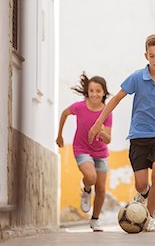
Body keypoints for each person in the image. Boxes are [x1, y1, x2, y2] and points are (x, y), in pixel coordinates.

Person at [88, 34, 155, 232]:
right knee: (141, 184)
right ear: (146, 55)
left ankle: (148, 217)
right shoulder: (137, 77)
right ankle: (143, 195)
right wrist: (97, 123)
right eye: (151, 56)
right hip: (138, 135)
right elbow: (116, 98)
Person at [56, 72, 112, 232]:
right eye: (92, 90)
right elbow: (65, 113)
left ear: (104, 93)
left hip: (100, 151)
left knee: (101, 189)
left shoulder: (107, 112)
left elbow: (108, 140)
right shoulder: (79, 107)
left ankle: (95, 219)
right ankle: (86, 190)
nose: (94, 94)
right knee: (91, 177)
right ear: (87, 92)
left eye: (98, 91)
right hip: (81, 148)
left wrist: (101, 130)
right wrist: (60, 134)